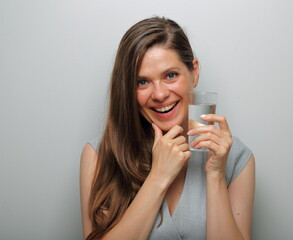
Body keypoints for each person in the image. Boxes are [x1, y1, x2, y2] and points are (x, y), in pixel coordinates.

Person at [80, 16, 255, 240]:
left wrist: (215, 175)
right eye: (142, 81)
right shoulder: (98, 155)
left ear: (194, 72)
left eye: (170, 75)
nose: (160, 94)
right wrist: (159, 176)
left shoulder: (237, 159)